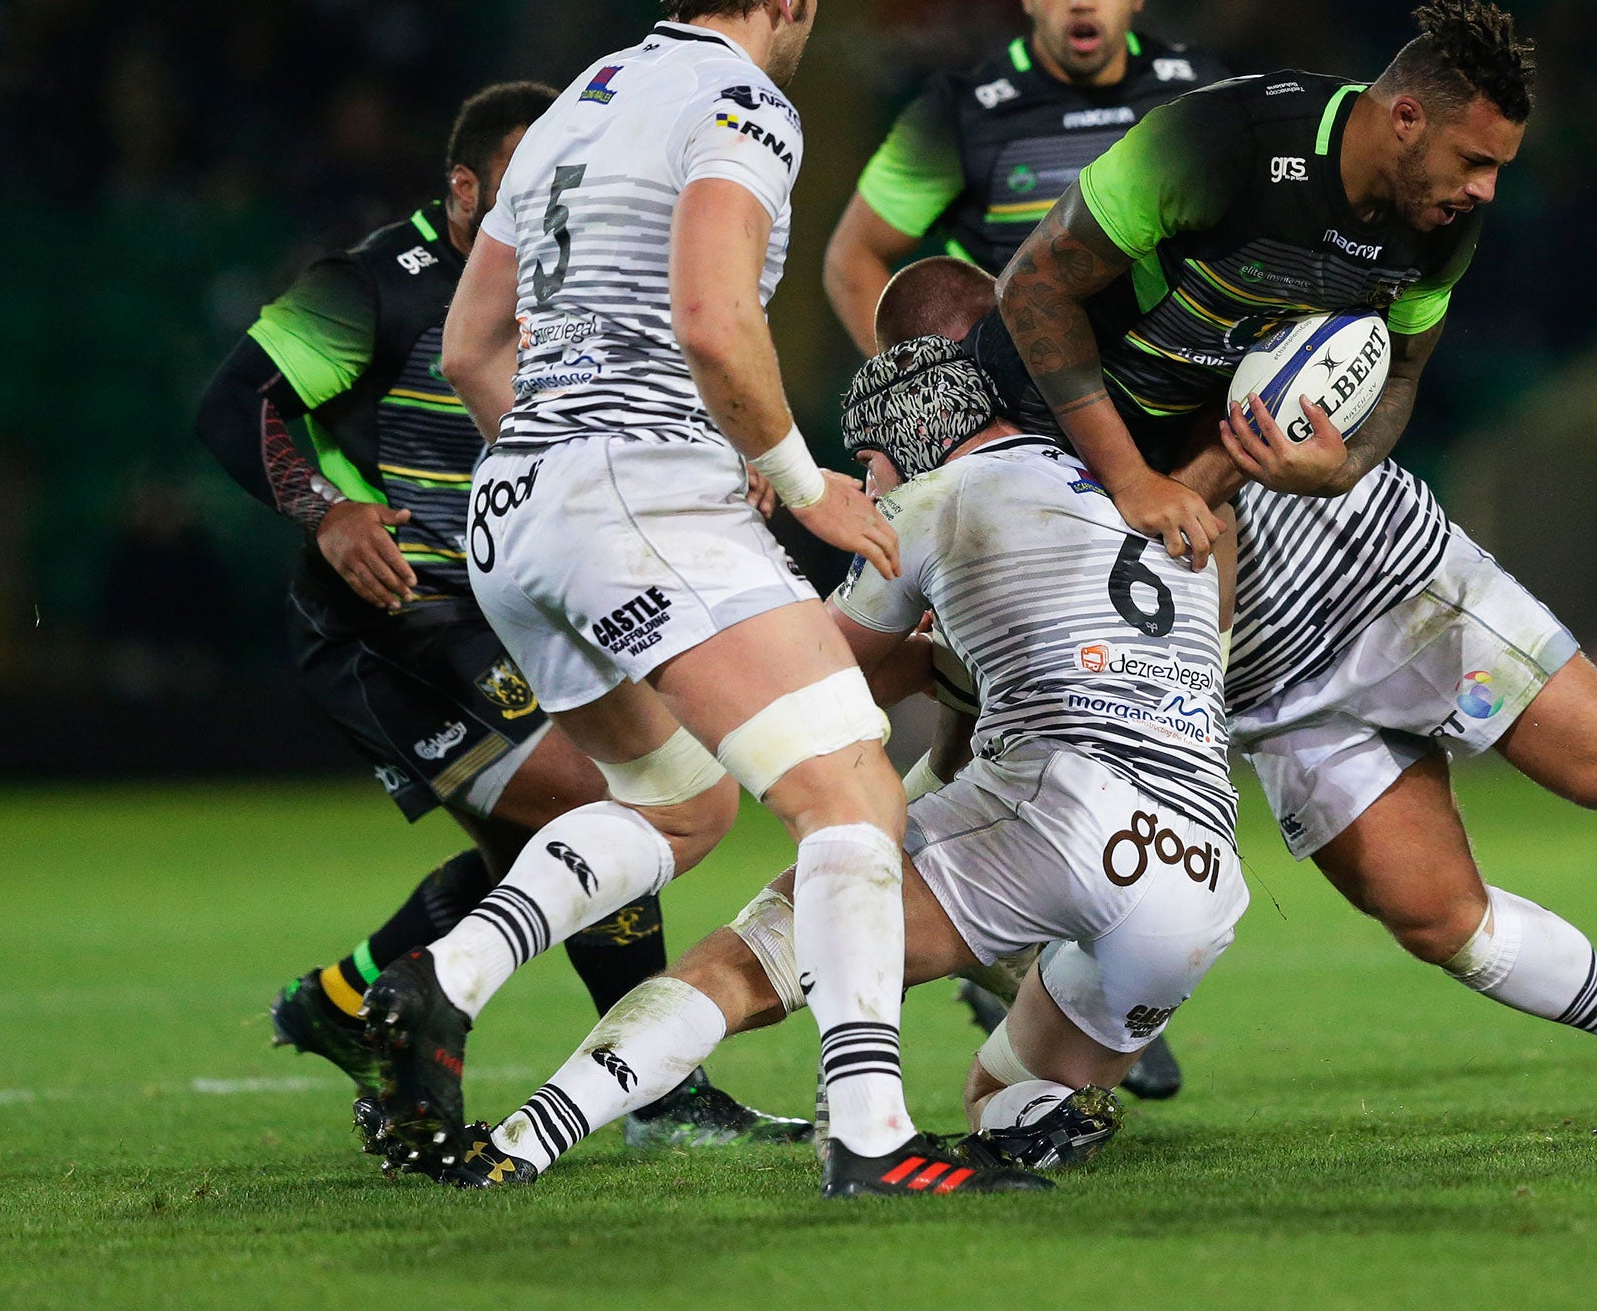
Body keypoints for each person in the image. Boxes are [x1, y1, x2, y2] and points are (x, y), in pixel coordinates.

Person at [982, 0, 1597, 1124]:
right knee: (1433, 917)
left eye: (1497, 168)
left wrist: (1336, 468)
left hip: (1366, 563)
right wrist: (1137, 480)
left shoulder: (1436, 215)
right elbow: (1035, 288)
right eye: (1473, 161)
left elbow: (1396, 382)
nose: (1484, 191)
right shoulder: (1218, 142)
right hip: (1231, 625)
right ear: (1403, 116)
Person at [361, 0, 1025, 1199]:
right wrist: (799, 484)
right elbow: (714, 320)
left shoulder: (569, 109)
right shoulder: (742, 103)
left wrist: (555, 482)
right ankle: (875, 1138)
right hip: (636, 489)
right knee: (851, 786)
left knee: (678, 802)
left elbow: (474, 341)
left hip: (515, 514)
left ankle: (449, 974)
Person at [440, 327, 1245, 1190]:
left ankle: (521, 1143)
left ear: (900, 445)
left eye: (868, 470)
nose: (865, 492)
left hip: (1061, 808)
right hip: (1201, 871)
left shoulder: (934, 499)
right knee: (999, 1092)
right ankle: (1045, 1121)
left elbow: (803, 671)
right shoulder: (1147, 495)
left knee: (754, 959)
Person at [195, 82, 798, 1153]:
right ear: (463, 185)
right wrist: (330, 509)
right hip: (395, 619)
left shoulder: (574, 277)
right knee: (613, 801)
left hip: (526, 607)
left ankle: (352, 1003)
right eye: (522, 183)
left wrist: (728, 458)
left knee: (578, 838)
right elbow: (234, 402)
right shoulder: (378, 284)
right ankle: (652, 1092)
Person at [825, 0, 1224, 1098]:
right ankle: (978, 927)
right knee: (976, 708)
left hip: (1157, 465)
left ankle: (1088, 967)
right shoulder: (964, 109)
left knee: (1172, 714)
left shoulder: (1193, 104)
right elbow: (857, 256)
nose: (1080, 1)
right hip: (1010, 466)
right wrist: (918, 408)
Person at [824, 0, 1226, 357]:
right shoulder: (958, 112)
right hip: (1023, 414)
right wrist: (919, 389)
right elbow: (852, 258)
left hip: (1176, 398)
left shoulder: (1201, 91)